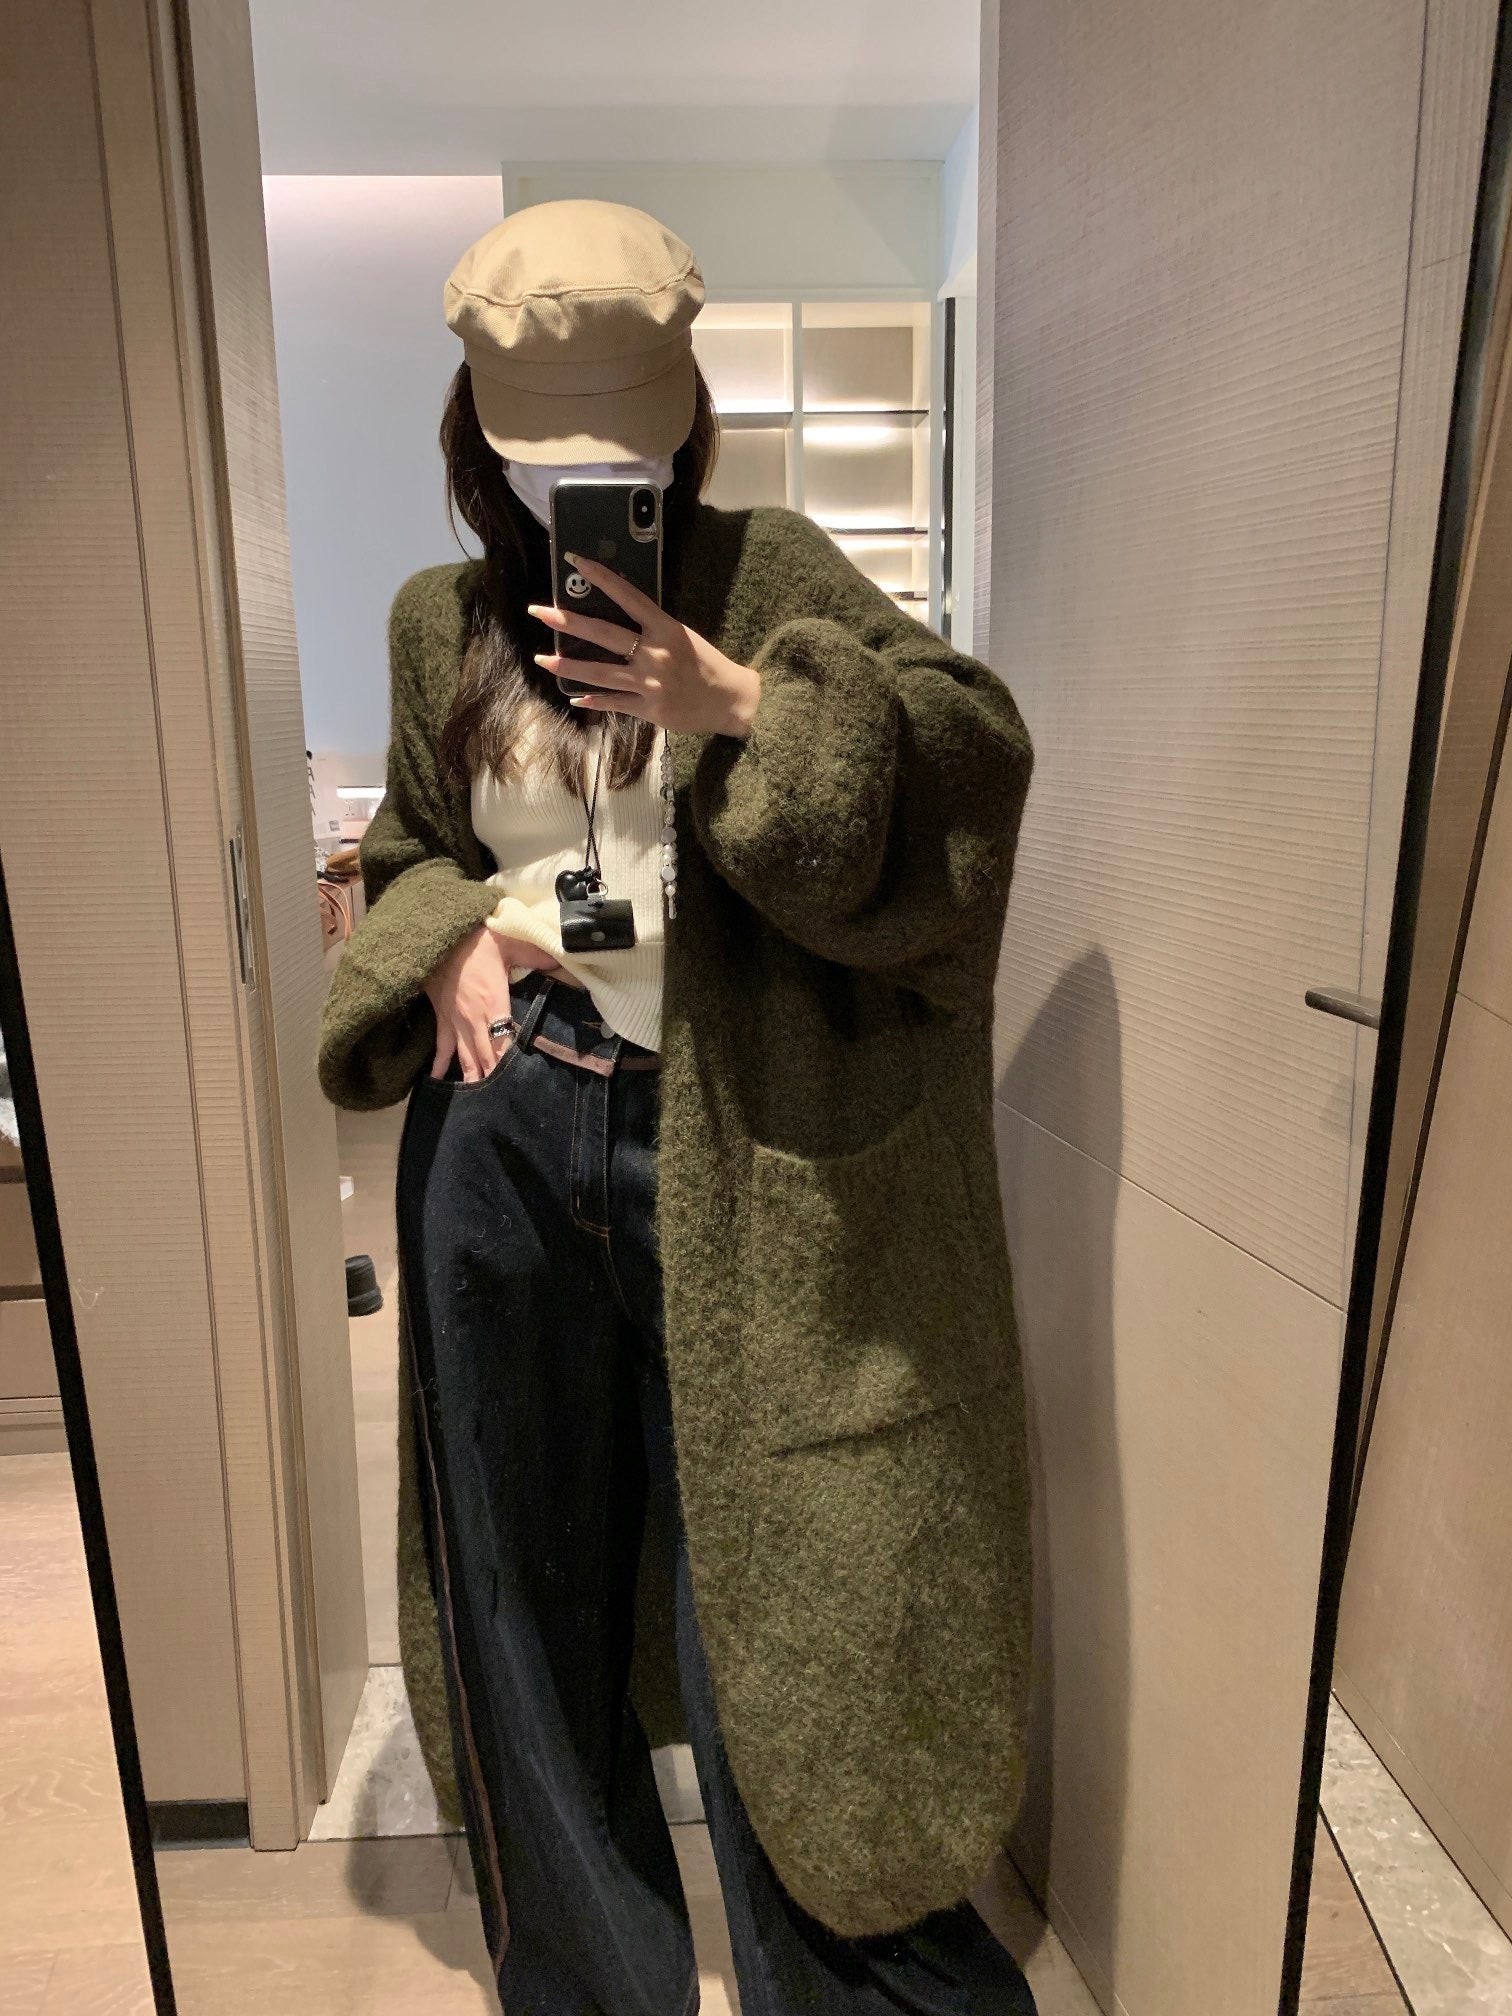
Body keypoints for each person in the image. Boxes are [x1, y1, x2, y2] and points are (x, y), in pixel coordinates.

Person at [319, 197, 1038, 2016]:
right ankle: (585, 1978)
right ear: (477, 435)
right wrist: (446, 936)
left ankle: (847, 1979)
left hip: (726, 1146)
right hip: (503, 1128)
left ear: (686, 418)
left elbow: (971, 764)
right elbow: (409, 853)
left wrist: (737, 699)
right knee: (520, 1574)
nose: (593, 486)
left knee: (782, 1587)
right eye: (550, 451)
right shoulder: (435, 626)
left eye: (629, 449)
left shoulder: (770, 571)